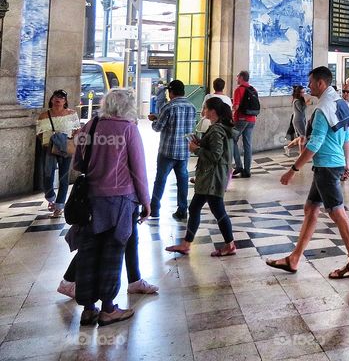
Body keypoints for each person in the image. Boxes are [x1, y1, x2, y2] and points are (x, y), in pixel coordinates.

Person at [268, 66, 349, 278]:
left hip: (327, 167)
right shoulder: (339, 103)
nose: (308, 86)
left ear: (321, 83)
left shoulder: (322, 110)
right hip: (330, 165)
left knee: (338, 213)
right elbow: (347, 137)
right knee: (311, 208)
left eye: (310, 82)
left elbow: (314, 144)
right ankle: (294, 259)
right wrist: (346, 163)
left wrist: (293, 170)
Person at [68, 89, 151, 326]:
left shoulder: (90, 126)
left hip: (90, 202)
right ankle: (108, 308)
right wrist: (146, 201)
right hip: (120, 202)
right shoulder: (128, 129)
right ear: (127, 107)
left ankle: (88, 309)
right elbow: (138, 169)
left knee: (88, 253)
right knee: (112, 254)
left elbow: (77, 163)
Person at [165, 98, 238, 257]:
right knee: (195, 208)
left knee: (218, 210)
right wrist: (200, 143)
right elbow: (215, 149)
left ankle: (230, 245)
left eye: (205, 108)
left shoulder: (217, 130)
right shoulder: (219, 128)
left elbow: (216, 155)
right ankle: (186, 244)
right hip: (210, 178)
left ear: (213, 111)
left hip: (212, 178)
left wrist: (196, 149)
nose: (203, 110)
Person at [149, 79, 195, 220]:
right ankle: (182, 210)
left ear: (171, 92)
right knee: (182, 181)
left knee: (160, 180)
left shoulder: (169, 107)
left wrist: (154, 120)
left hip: (167, 152)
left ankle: (154, 209)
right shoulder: (192, 107)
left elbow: (158, 127)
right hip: (184, 151)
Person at [36, 90, 79, 218]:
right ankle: (50, 197)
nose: (58, 100)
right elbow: (39, 133)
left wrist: (69, 141)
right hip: (48, 148)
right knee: (47, 175)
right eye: (56, 97)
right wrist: (48, 142)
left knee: (63, 177)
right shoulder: (44, 115)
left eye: (61, 98)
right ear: (52, 99)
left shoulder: (72, 114)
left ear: (65, 101)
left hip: (65, 148)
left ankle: (59, 206)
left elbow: (77, 130)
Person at [232, 71, 258, 178]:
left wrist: (231, 111)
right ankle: (247, 170)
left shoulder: (239, 90)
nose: (236, 78)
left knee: (231, 139)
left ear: (241, 77)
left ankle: (238, 166)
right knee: (248, 145)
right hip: (252, 119)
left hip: (241, 119)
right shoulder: (253, 89)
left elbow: (236, 107)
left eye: (237, 77)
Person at [285, 85, 308, 156]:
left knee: (300, 137)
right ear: (298, 93)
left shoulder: (300, 100)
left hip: (301, 119)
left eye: (304, 92)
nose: (303, 94)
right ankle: (301, 153)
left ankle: (288, 147)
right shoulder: (297, 101)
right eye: (302, 92)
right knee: (302, 137)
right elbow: (301, 110)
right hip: (298, 120)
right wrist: (306, 104)